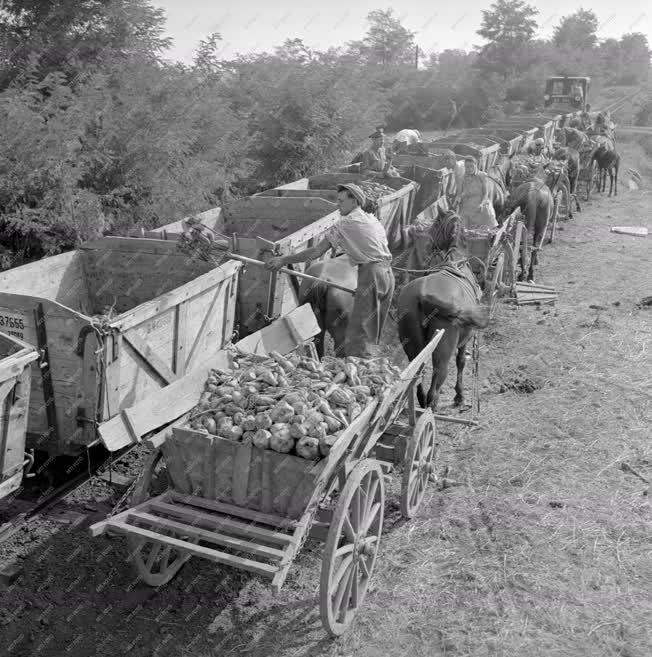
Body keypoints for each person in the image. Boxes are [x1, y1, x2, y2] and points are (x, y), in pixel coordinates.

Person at [265, 183, 395, 358]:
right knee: (372, 323)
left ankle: (355, 367)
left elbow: (316, 252)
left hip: (371, 273)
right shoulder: (372, 219)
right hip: (387, 273)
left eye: (341, 201)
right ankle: (367, 356)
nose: (337, 205)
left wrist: (283, 260)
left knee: (359, 331)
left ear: (354, 201)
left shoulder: (346, 223)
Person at [455, 155, 496, 230]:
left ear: (476, 165)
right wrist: (458, 198)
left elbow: (486, 193)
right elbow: (460, 193)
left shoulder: (482, 175)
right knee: (461, 225)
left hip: (481, 202)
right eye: (467, 167)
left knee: (487, 214)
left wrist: (482, 203)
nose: (469, 169)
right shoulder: (462, 178)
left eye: (471, 166)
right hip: (468, 204)